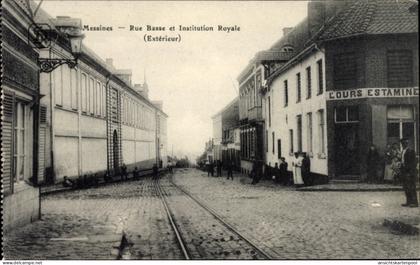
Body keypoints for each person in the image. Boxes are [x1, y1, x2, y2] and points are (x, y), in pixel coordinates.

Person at [400, 138, 418, 207]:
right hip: (404, 171)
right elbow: (403, 161)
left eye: (404, 143)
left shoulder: (411, 151)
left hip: (409, 172)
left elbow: (413, 163)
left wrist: (410, 172)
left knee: (412, 187)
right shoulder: (403, 151)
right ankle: (408, 201)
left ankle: (415, 202)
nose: (403, 145)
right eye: (402, 143)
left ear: (407, 143)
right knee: (406, 187)